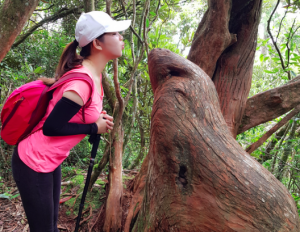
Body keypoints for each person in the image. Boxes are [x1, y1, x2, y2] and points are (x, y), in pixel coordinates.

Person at [11, 11, 131, 232]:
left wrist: (96, 119)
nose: (121, 38)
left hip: (48, 161)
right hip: (32, 162)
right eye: (115, 33)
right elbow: (51, 127)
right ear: (97, 43)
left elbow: (74, 116)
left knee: (50, 225)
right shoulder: (82, 83)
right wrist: (94, 127)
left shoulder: (93, 76)